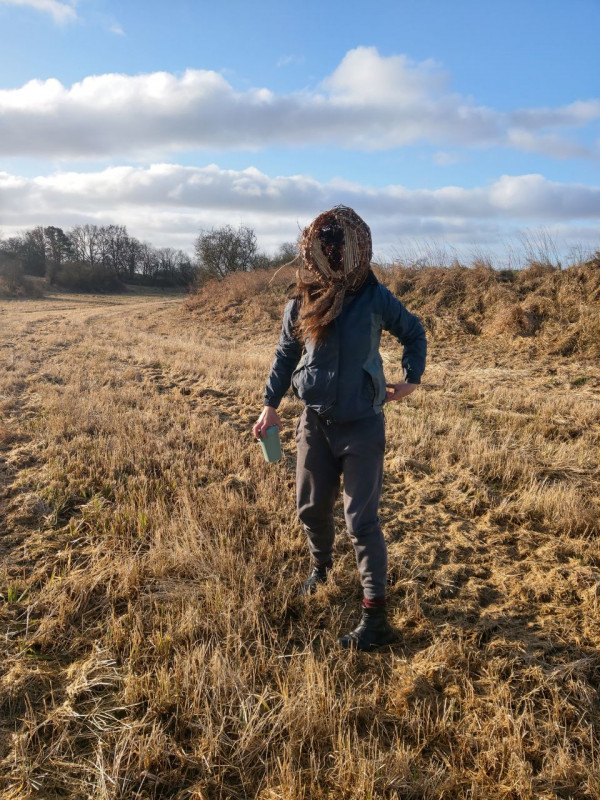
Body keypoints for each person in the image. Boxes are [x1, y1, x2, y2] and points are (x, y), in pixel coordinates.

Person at [252, 206, 427, 651]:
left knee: (361, 521)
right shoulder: (302, 299)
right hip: (315, 420)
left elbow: (413, 331)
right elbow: (284, 356)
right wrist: (270, 406)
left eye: (339, 247)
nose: (332, 254)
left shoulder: (374, 297)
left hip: (363, 423)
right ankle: (322, 567)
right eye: (324, 247)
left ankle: (376, 620)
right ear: (315, 252)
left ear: (356, 249)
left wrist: (411, 379)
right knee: (310, 508)